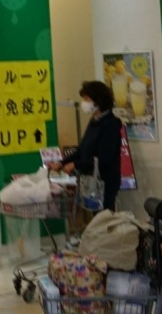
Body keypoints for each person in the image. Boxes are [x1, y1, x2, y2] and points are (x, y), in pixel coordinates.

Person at [51, 80, 122, 214]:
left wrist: (75, 165)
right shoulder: (94, 121)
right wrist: (62, 162)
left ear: (98, 101)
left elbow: (104, 158)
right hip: (91, 180)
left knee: (104, 219)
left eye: (86, 99)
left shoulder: (110, 125)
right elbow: (82, 149)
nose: (84, 103)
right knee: (96, 217)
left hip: (105, 182)